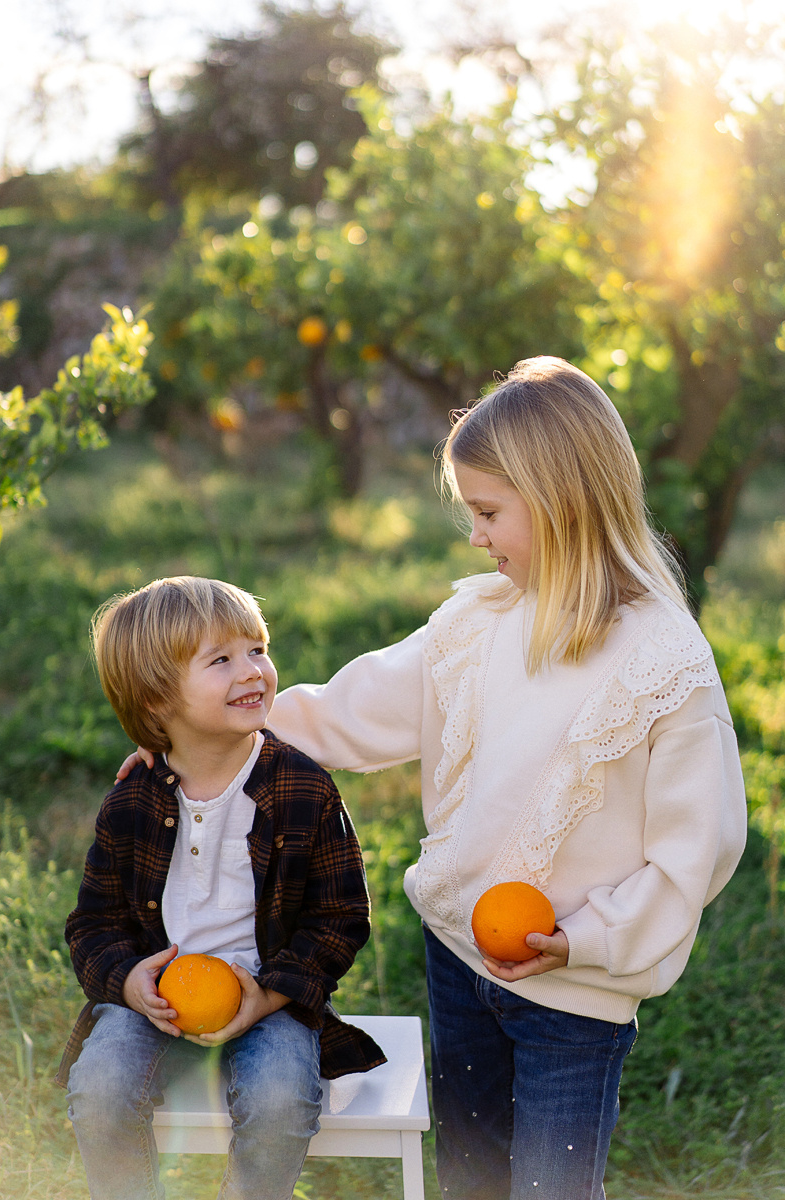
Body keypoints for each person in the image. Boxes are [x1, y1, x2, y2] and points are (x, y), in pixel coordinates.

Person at [118, 357, 747, 1200]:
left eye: (489, 513)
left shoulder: (664, 666)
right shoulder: (477, 626)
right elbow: (350, 709)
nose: (477, 537)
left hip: (577, 994)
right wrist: (206, 740)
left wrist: (589, 939)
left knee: (553, 1190)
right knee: (474, 1179)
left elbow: (695, 852)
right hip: (460, 959)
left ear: (561, 500)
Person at [57, 575, 383, 1200]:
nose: (253, 671)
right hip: (155, 999)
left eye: (257, 649)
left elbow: (340, 915)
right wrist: (128, 982)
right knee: (97, 1088)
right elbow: (92, 924)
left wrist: (271, 996)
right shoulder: (133, 800)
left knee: (283, 1097)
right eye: (222, 659)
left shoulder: (301, 788)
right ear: (156, 702)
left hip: (268, 996)